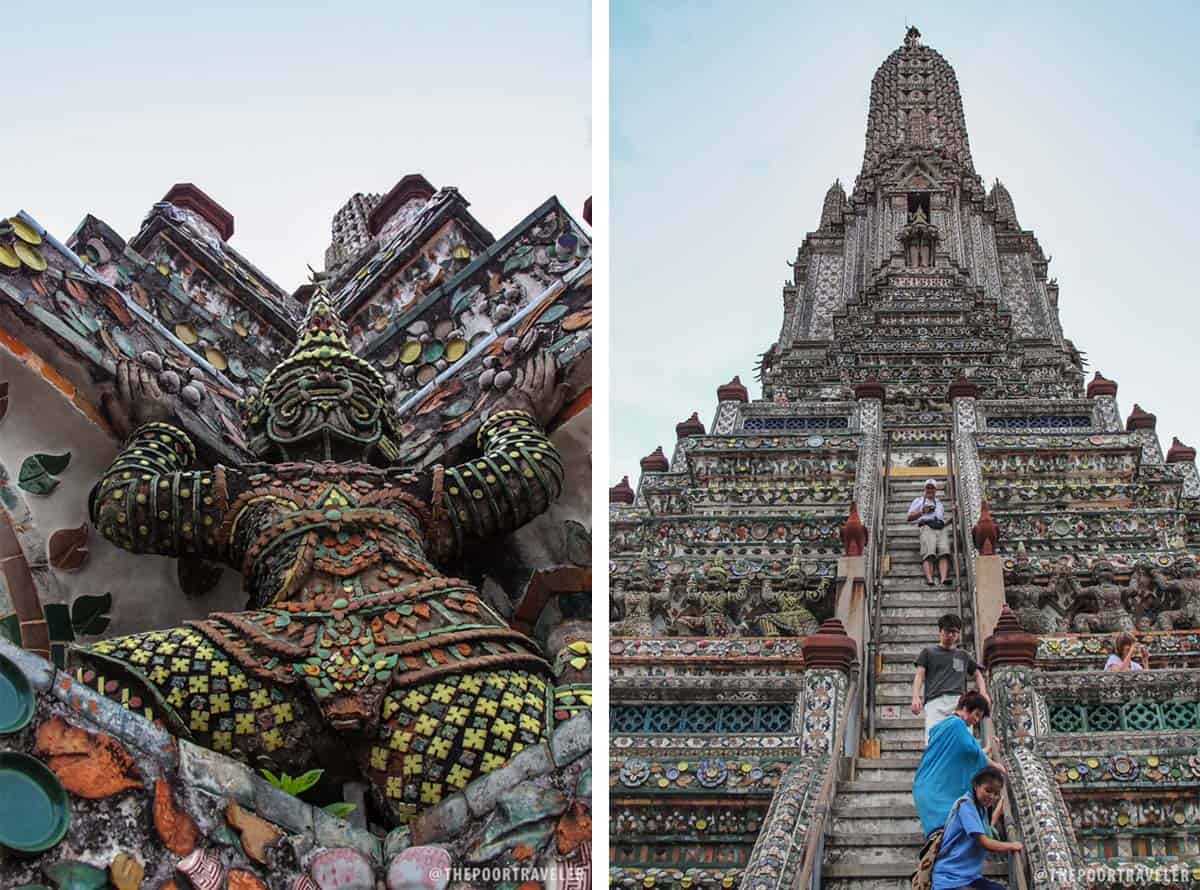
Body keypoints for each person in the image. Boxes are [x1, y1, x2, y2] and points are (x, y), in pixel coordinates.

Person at [913, 692, 1006, 838]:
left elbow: (972, 752)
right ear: (965, 707)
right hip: (936, 791)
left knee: (950, 832)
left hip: (927, 786)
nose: (976, 720)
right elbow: (972, 752)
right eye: (976, 714)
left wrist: (989, 747)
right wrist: (995, 765)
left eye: (979, 718)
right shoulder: (956, 725)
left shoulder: (951, 725)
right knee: (950, 831)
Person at [930, 766, 1024, 890]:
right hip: (950, 879)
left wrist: (997, 809)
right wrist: (1012, 845)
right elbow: (985, 842)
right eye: (988, 790)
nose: (992, 796)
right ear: (976, 785)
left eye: (996, 793)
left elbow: (987, 830)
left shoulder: (981, 808)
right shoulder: (966, 806)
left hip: (968, 877)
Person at [912, 614, 991, 742]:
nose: (951, 635)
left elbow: (978, 674)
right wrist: (916, 697)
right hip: (935, 703)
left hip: (959, 704)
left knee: (963, 741)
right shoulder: (928, 652)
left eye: (955, 632)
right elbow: (919, 675)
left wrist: (984, 693)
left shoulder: (963, 655)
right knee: (934, 740)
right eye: (948, 631)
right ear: (940, 631)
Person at [908, 478, 953, 587]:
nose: (930, 490)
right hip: (927, 526)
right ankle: (930, 579)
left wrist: (952, 518)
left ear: (935, 490)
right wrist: (923, 511)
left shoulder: (939, 503)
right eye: (928, 488)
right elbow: (909, 517)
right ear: (925, 489)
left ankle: (943, 579)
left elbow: (942, 519)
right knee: (929, 553)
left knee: (944, 552)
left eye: (932, 488)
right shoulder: (918, 501)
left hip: (941, 528)